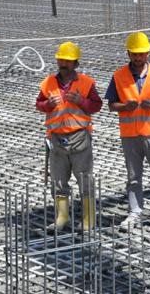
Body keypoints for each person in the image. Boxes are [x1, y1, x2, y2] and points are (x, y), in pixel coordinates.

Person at [105, 32, 150, 232]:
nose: (138, 58)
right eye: (134, 54)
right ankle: (135, 212)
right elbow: (111, 104)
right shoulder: (119, 76)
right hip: (130, 135)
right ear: (128, 53)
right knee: (134, 177)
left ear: (148, 53)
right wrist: (124, 106)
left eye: (141, 54)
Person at [36, 41, 102, 231]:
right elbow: (39, 104)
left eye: (68, 61)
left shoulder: (86, 82)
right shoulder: (48, 82)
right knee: (58, 181)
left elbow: (96, 105)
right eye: (61, 60)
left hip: (80, 139)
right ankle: (62, 217)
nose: (64, 63)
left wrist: (81, 101)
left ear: (75, 63)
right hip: (57, 140)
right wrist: (47, 104)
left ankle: (89, 218)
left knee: (85, 179)